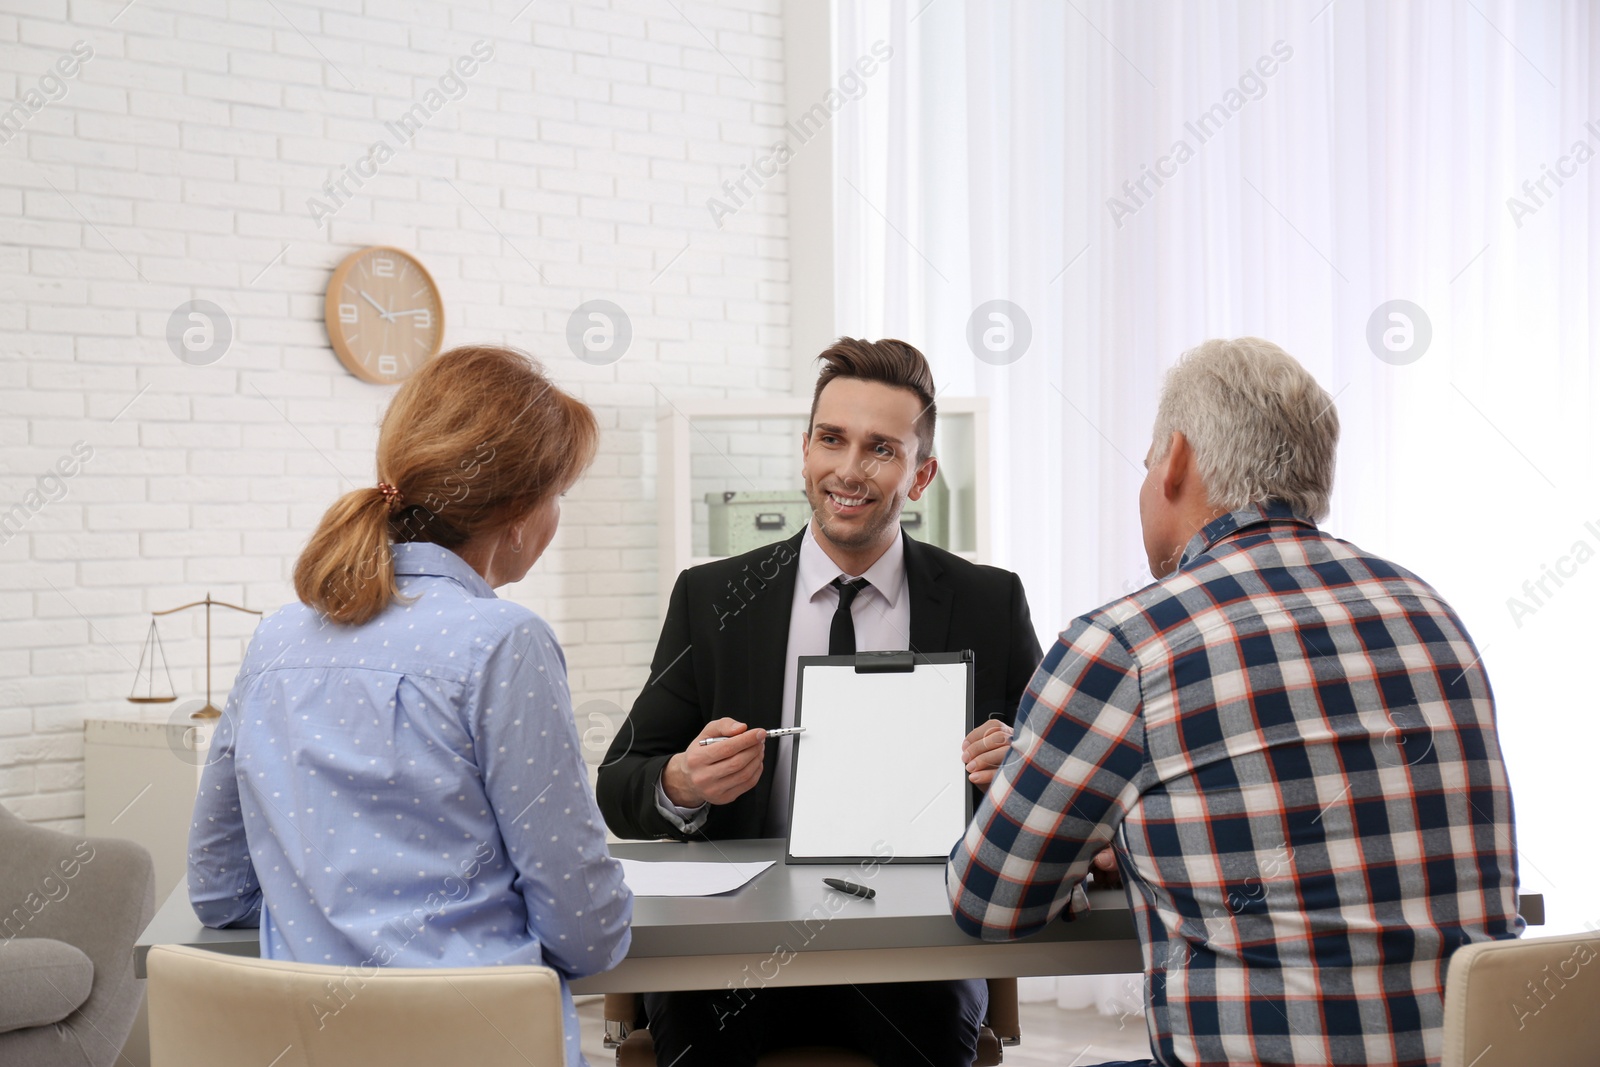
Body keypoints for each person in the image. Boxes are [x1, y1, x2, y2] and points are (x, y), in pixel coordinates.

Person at [948, 337, 1523, 1067]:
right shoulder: (1430, 615)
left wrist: (1102, 833)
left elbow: (989, 903)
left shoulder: (1127, 643)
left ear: (1177, 460)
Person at [596, 337, 1045, 1067]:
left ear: (921, 474)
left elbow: (1059, 780)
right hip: (732, 953)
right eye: (831, 439)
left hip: (912, 951)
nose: (848, 469)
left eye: (880, 449)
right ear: (804, 450)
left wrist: (1018, 770)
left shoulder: (989, 602)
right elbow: (620, 782)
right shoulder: (713, 599)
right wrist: (680, 783)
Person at [188, 346, 633, 1067]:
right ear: (519, 514)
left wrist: (327, 911)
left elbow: (217, 890)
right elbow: (584, 930)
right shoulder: (503, 641)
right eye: (559, 496)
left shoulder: (276, 638)